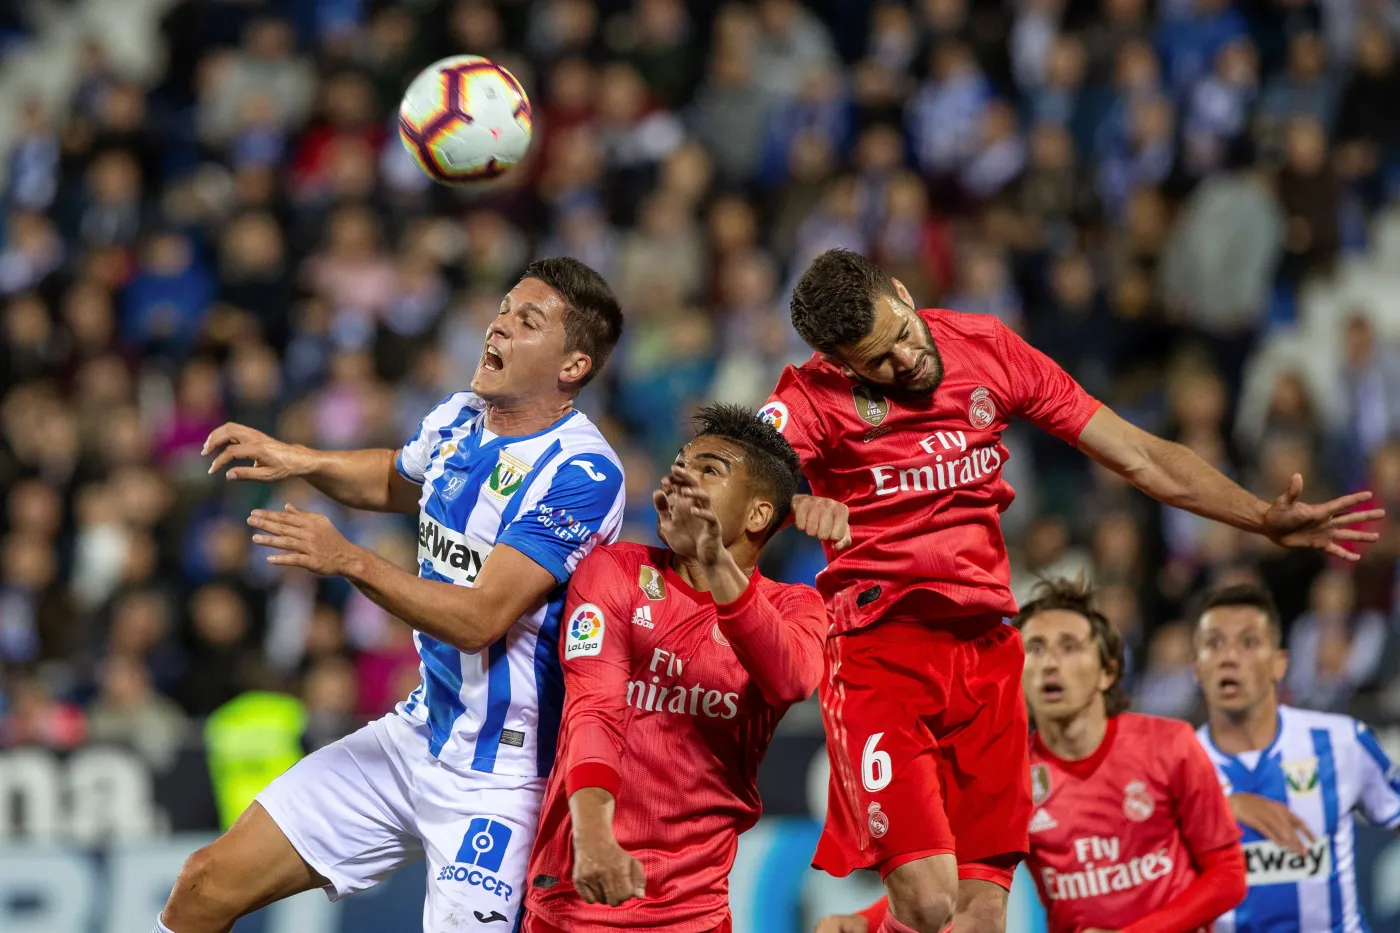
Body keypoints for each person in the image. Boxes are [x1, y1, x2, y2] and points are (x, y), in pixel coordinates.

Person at [761, 248, 1383, 933]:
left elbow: (1139, 454)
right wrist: (790, 502)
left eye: (903, 334)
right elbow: (729, 478)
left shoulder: (986, 348)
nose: (905, 360)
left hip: (988, 655)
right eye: (879, 360)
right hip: (883, 653)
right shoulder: (808, 398)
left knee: (981, 915)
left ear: (904, 294)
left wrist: (1259, 516)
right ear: (841, 365)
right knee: (930, 902)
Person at [156, 258, 628, 933]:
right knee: (204, 883)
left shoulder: (581, 472)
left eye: (527, 321)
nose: (498, 325)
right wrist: (301, 459)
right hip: (418, 733)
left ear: (573, 365)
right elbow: (396, 478)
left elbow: (480, 619)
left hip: (503, 777)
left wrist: (348, 558)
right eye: (503, 308)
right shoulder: (462, 418)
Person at [522, 403, 827, 932]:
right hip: (578, 894)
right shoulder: (616, 569)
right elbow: (593, 712)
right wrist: (592, 836)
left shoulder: (795, 607)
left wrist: (714, 560)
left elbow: (791, 679)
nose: (681, 477)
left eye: (709, 470)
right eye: (681, 463)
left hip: (693, 910)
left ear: (758, 515)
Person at [820, 578, 1248, 933]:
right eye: (1036, 648)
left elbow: (1228, 875)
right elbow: (959, 877)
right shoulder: (1006, 770)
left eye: (1069, 647)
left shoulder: (1169, 744)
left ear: (1108, 671)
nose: (1049, 664)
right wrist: (862, 920)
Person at [1194, 583, 1400, 933]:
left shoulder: (1341, 741)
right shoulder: (1176, 764)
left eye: (1248, 643)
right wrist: (1222, 806)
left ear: (1279, 664)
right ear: (1197, 668)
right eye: (1214, 644)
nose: (1229, 657)